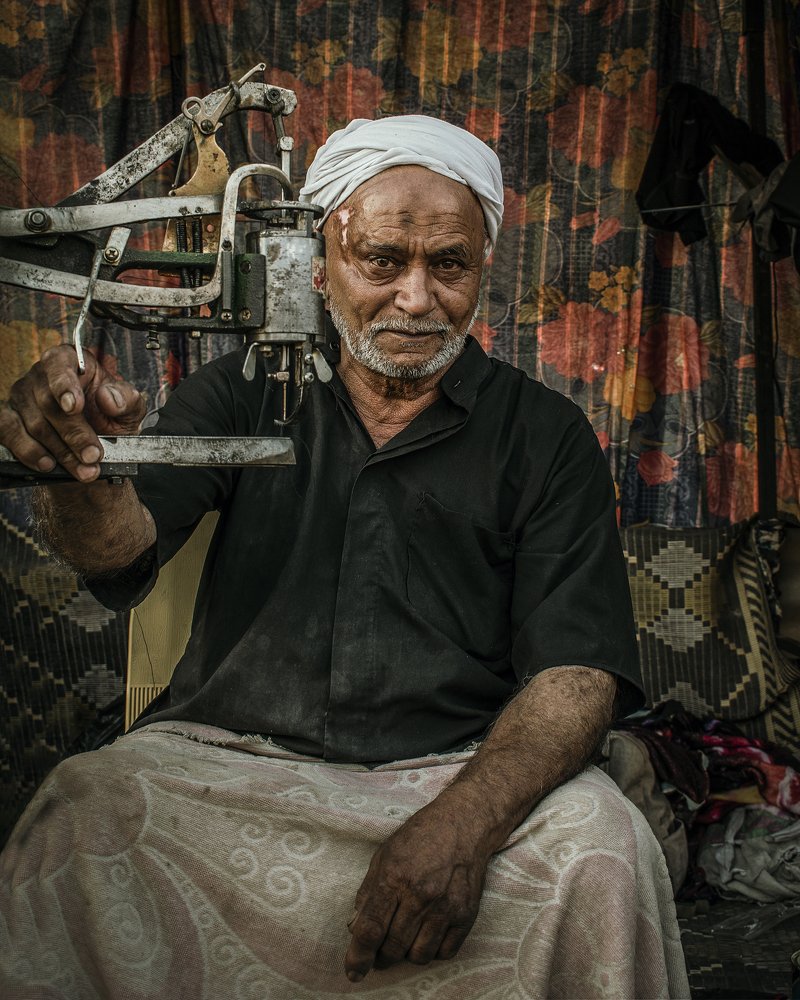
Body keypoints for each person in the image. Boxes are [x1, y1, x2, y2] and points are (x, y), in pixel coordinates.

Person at [0, 116, 689, 998]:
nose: (416, 298)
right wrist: (77, 469)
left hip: (457, 768)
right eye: (382, 260)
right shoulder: (245, 390)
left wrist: (459, 829)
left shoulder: (545, 437)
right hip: (235, 770)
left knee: (606, 850)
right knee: (82, 812)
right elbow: (119, 552)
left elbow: (578, 672)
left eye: (448, 266)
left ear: (482, 272)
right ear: (318, 265)